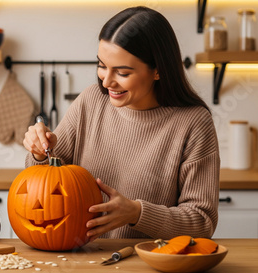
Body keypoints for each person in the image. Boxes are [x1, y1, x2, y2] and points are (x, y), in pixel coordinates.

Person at [23, 6, 219, 241]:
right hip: (82, 259)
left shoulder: (194, 123)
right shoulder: (90, 101)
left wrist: (137, 213)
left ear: (157, 70)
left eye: (122, 73)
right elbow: (42, 189)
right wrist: (39, 154)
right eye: (102, 66)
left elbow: (202, 223)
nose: (106, 82)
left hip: (148, 262)